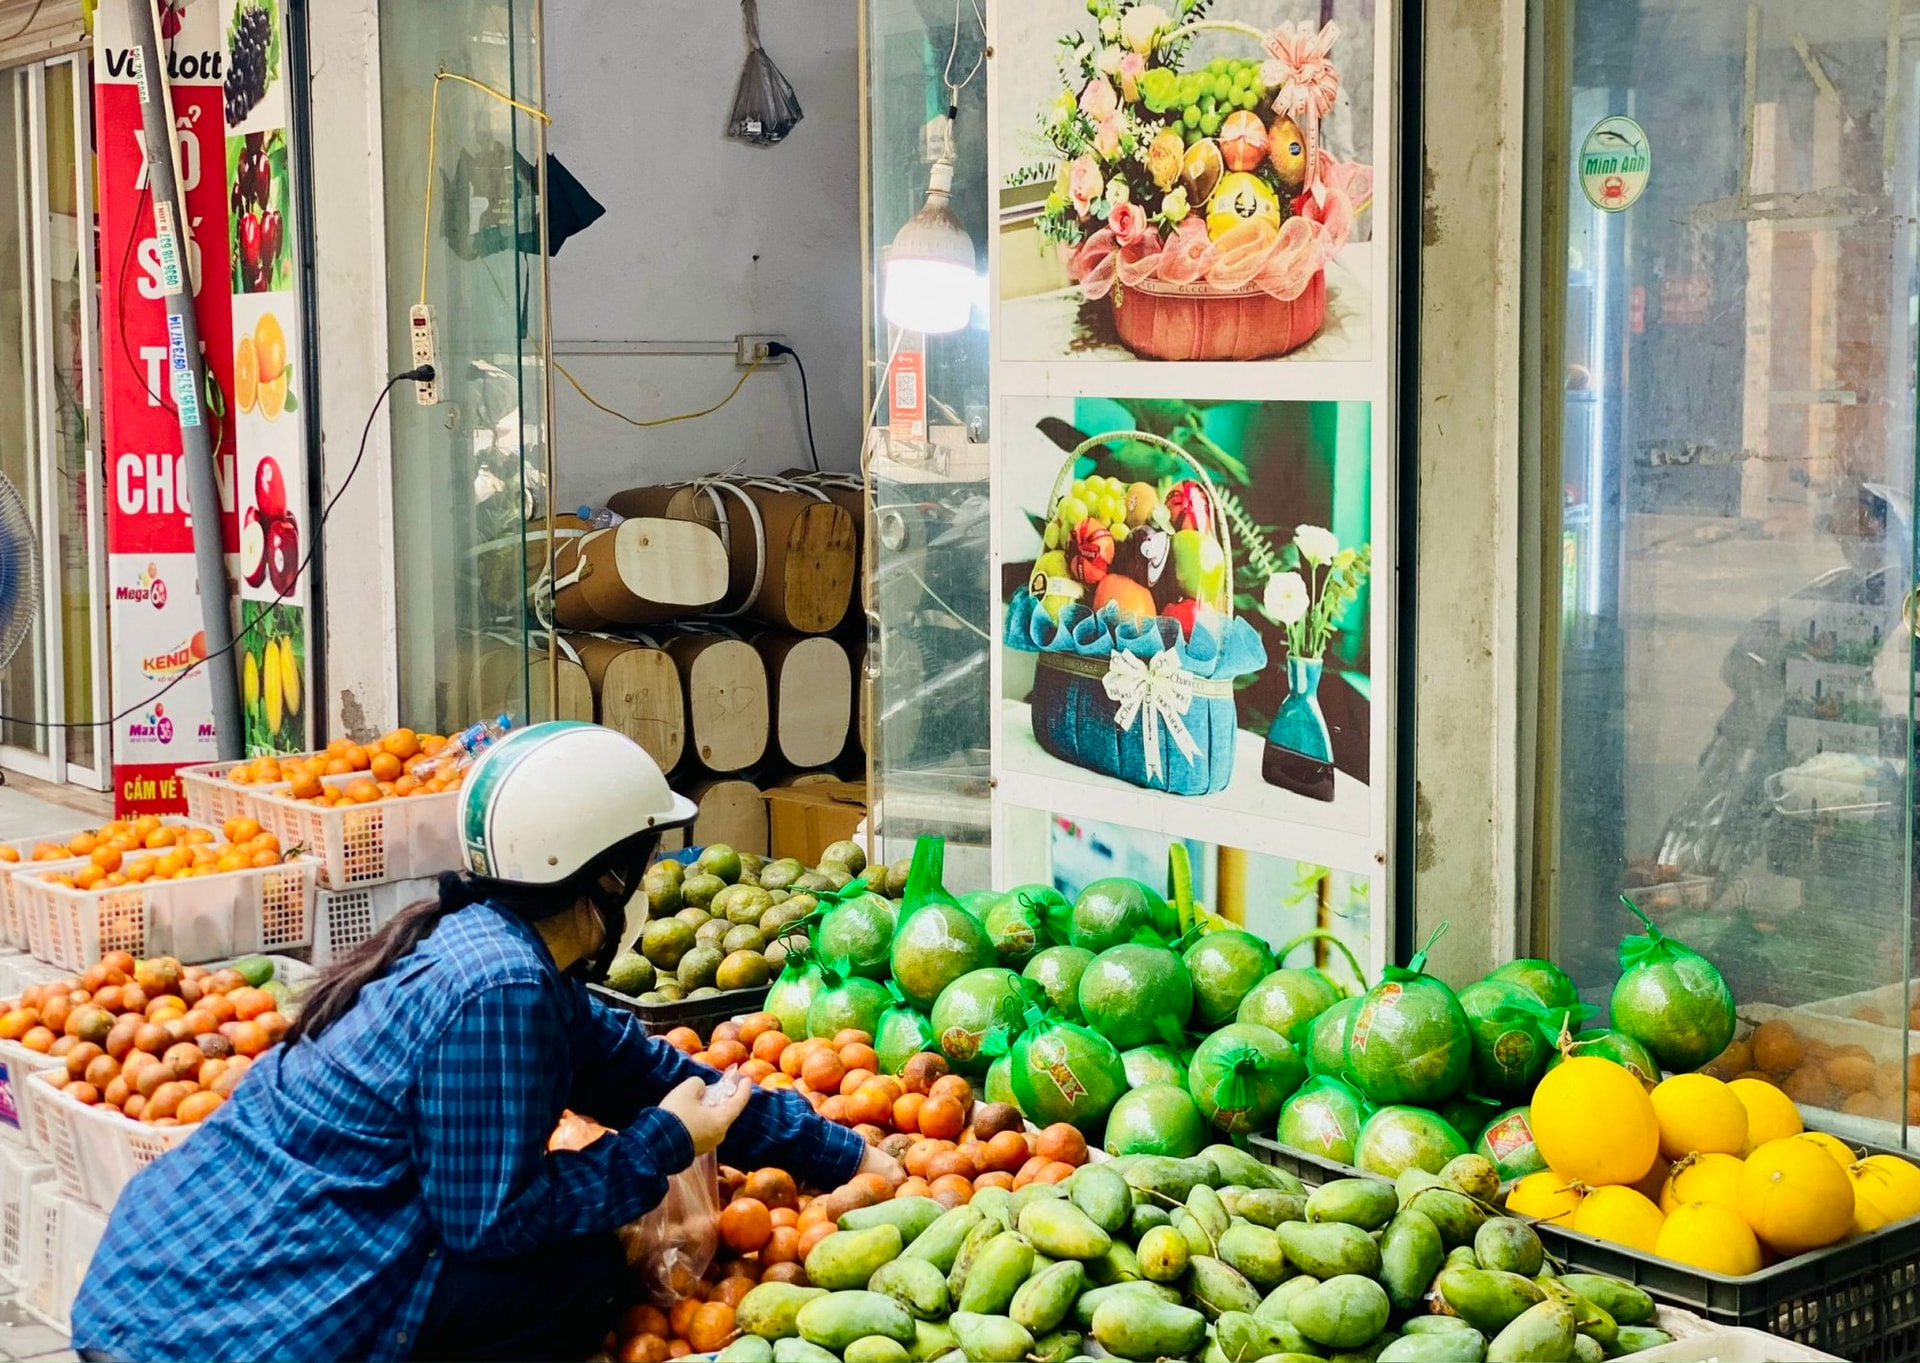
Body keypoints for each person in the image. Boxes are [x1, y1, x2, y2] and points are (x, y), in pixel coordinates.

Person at [71, 722, 898, 1362]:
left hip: (159, 1276)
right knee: (571, 1279)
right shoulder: (499, 989)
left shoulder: (496, 946)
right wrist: (663, 1145)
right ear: (603, 877)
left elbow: (647, 1069)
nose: (647, 889)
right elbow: (495, 1223)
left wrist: (841, 1154)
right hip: (215, 1329)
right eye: (641, 869)